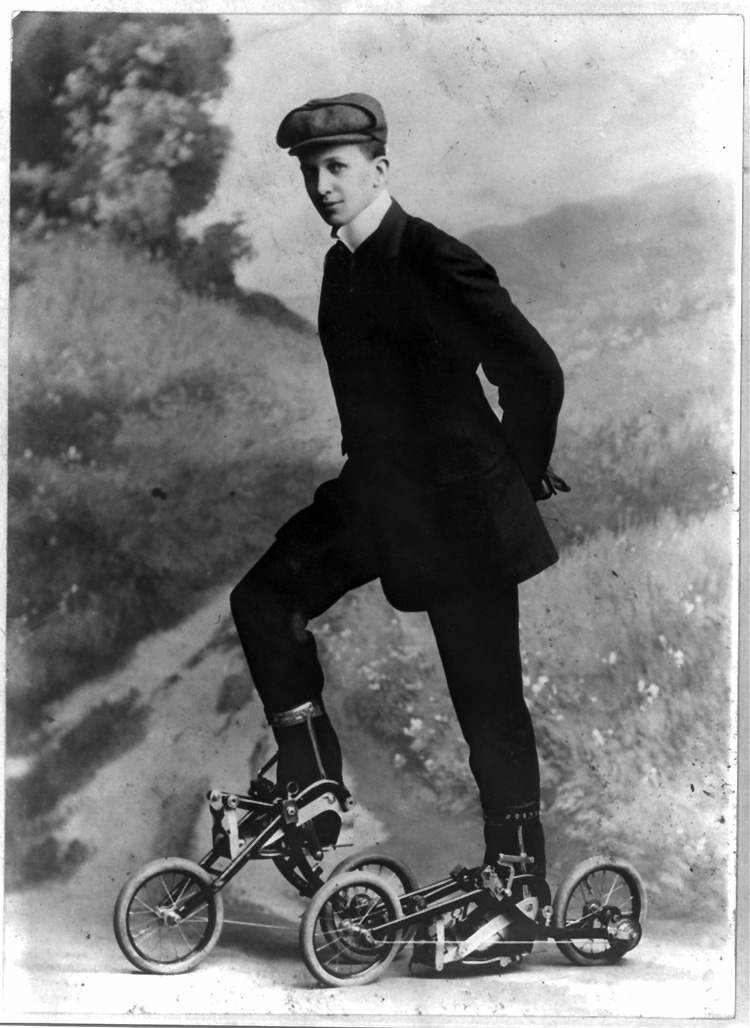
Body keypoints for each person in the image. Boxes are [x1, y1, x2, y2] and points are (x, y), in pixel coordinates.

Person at [230, 93, 567, 943]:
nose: (321, 186)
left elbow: (534, 371)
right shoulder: (343, 263)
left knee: (486, 704)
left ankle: (519, 887)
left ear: (380, 168)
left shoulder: (431, 256)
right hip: (379, 496)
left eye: (337, 167)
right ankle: (312, 790)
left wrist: (515, 478)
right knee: (265, 600)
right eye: (310, 171)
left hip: (459, 509)